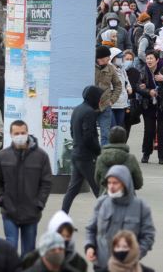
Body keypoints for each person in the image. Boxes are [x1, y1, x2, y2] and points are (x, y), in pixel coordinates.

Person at [0, 119, 54, 255]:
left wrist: (39, 203)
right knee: (11, 247)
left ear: (27, 133)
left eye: (23, 132)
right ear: (11, 134)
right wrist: (1, 199)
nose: (20, 136)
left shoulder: (41, 156)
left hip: (31, 212)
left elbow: (46, 182)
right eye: (16, 133)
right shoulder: (3, 156)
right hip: (9, 211)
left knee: (28, 252)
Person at [84, 166, 156, 272]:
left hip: (128, 267)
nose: (111, 186)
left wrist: (135, 254)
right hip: (101, 265)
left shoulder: (140, 206)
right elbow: (91, 229)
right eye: (109, 183)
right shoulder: (101, 203)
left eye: (115, 183)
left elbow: (148, 236)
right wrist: (90, 247)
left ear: (125, 183)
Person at [62, 86, 104, 214]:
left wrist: (77, 144)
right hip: (86, 157)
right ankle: (108, 221)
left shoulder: (78, 109)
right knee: (99, 190)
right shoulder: (89, 112)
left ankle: (62, 219)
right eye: (99, 97)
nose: (100, 100)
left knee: (72, 190)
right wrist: (98, 151)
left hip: (76, 154)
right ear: (94, 97)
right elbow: (89, 137)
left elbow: (72, 131)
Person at [138, 51, 163, 164]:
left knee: (162, 131)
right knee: (149, 131)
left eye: (151, 58)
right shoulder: (142, 70)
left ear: (157, 60)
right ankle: (146, 154)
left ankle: (162, 156)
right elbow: (138, 87)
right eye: (147, 58)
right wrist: (148, 91)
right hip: (148, 104)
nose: (149, 61)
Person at [96, 125, 144, 194]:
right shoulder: (130, 158)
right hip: (127, 197)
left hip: (106, 196)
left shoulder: (100, 158)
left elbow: (97, 180)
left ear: (109, 138)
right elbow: (138, 183)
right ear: (124, 139)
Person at [95, 46, 124, 146]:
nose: (108, 60)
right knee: (90, 134)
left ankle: (103, 158)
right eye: (107, 58)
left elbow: (118, 85)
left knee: (106, 135)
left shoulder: (111, 68)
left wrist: (112, 100)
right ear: (99, 58)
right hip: (90, 107)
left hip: (105, 106)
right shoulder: (90, 67)